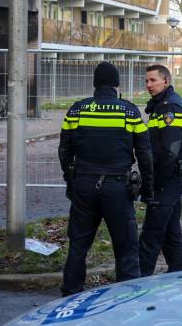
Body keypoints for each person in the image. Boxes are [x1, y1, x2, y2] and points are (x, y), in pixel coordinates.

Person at [58, 61, 154, 296]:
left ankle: (70, 294)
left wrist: (70, 180)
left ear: (94, 84)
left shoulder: (76, 111)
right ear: (116, 84)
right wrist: (147, 188)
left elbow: (64, 150)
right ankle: (127, 296)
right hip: (117, 188)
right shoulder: (129, 112)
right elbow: (144, 153)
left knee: (78, 245)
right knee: (126, 247)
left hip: (83, 185)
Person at [138, 65, 182, 277]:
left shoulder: (168, 108)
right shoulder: (166, 104)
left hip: (168, 178)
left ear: (166, 81)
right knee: (171, 232)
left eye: (153, 80)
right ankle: (179, 276)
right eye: (147, 81)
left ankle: (136, 283)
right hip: (173, 176)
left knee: (151, 234)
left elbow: (169, 152)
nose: (149, 85)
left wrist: (153, 183)